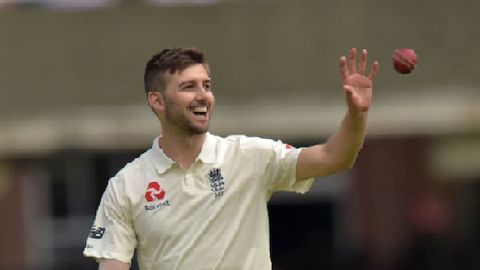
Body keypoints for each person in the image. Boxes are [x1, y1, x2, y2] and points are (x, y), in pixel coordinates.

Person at [83, 47, 379, 270]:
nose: (203, 96)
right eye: (189, 87)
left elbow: (334, 157)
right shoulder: (126, 185)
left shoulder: (249, 156)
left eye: (207, 85)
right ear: (157, 101)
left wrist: (357, 116)